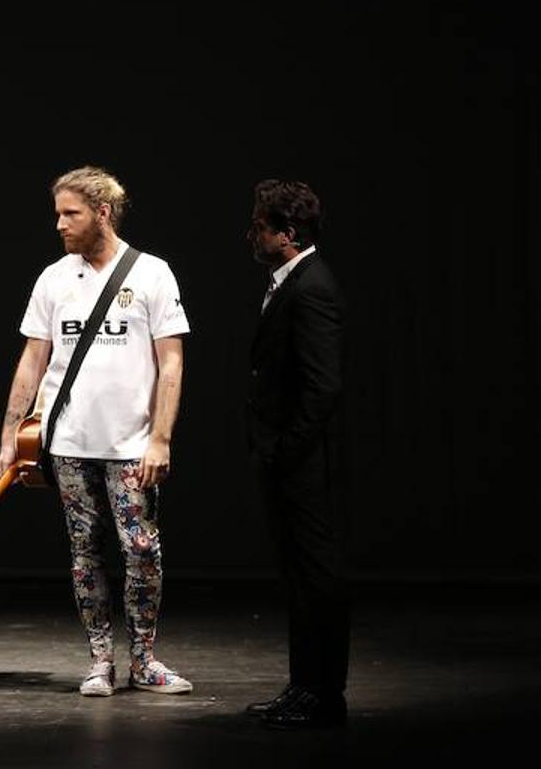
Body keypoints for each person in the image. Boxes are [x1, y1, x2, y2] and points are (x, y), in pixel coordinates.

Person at [0, 167, 192, 698]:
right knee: (84, 553)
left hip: (131, 443)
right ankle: (100, 659)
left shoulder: (152, 274)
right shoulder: (54, 279)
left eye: (70, 213)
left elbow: (170, 364)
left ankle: (143, 659)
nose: (59, 224)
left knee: (142, 550)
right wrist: (11, 433)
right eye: (57, 213)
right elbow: (33, 361)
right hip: (69, 443)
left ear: (102, 212)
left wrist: (161, 438)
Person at [244, 179, 350, 729]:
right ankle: (304, 687)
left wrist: (286, 451)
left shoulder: (311, 288)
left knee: (316, 579)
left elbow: (322, 386)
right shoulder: (290, 281)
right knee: (300, 579)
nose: (251, 236)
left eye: (259, 227)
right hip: (289, 460)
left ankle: (321, 693)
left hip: (304, 464)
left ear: (286, 235)